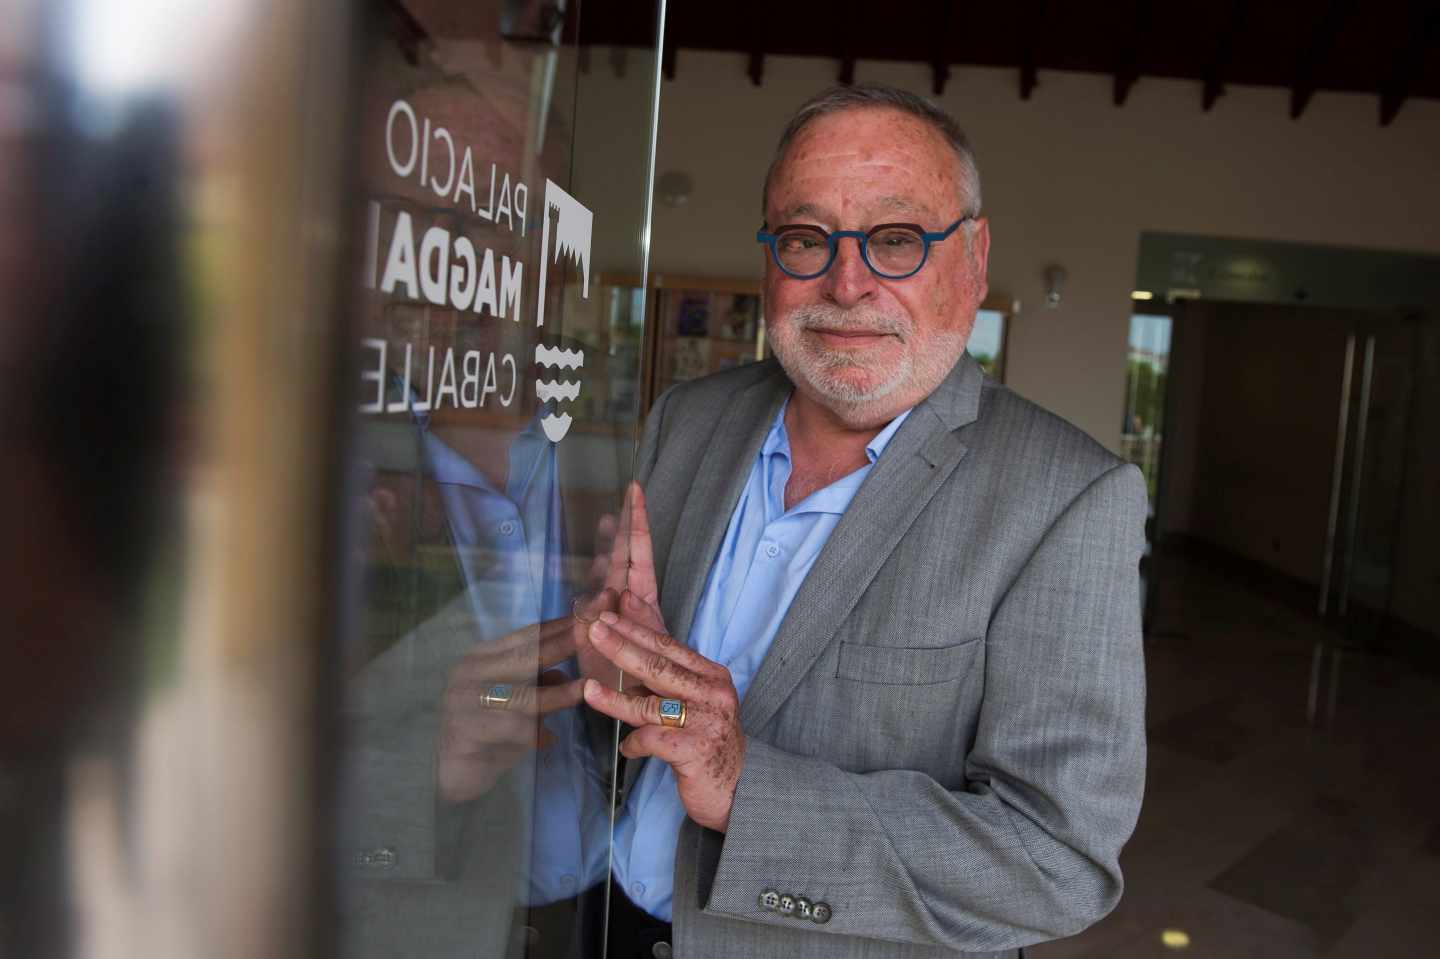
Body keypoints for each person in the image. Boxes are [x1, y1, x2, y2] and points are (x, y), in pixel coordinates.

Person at [573, 84, 1149, 958]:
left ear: (975, 256)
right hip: (607, 924)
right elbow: (623, 732)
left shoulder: (1067, 500)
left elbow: (1057, 858)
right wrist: (605, 679)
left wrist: (744, 784)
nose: (847, 282)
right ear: (771, 255)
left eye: (897, 239)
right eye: (807, 239)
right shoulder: (688, 421)